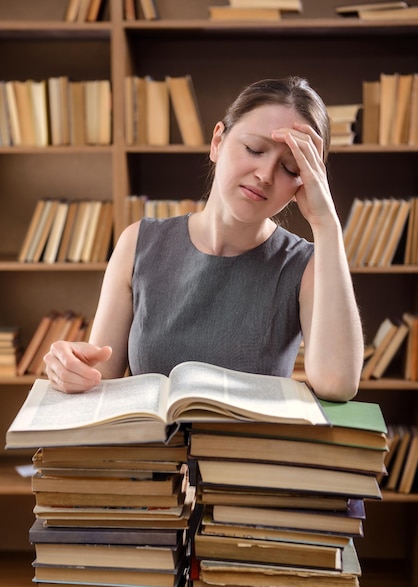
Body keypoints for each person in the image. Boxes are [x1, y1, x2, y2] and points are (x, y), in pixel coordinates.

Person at [44, 76, 364, 402]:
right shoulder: (137, 243)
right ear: (217, 142)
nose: (265, 175)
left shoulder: (303, 264)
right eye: (254, 149)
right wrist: (69, 369)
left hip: (244, 452)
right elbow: (99, 377)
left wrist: (326, 224)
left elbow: (337, 383)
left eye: (290, 168)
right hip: (151, 450)